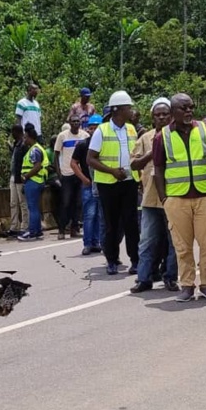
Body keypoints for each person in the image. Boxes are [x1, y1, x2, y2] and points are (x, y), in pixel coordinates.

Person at [154, 93, 206, 301]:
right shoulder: (162, 137)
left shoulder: (205, 130)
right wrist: (164, 199)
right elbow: (158, 169)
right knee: (182, 246)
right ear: (173, 112)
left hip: (205, 195)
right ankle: (187, 285)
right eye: (184, 108)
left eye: (191, 107)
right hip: (176, 198)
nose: (189, 111)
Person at [87, 91, 141, 275]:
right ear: (118, 110)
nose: (131, 111)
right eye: (128, 107)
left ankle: (135, 261)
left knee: (131, 223)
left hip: (129, 182)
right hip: (108, 184)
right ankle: (112, 260)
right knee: (111, 224)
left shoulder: (132, 129)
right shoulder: (102, 130)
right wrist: (112, 171)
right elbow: (90, 159)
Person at [131, 98, 179, 293]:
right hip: (151, 198)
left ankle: (170, 277)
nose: (162, 117)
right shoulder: (145, 138)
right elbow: (134, 164)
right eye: (158, 115)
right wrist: (153, 151)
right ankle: (144, 278)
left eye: (165, 114)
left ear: (171, 116)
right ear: (153, 118)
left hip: (175, 196)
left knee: (175, 241)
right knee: (147, 240)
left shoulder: (179, 136)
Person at [71, 114, 103, 255]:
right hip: (89, 184)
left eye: (96, 127)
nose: (93, 130)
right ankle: (88, 243)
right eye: (91, 127)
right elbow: (73, 163)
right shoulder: (83, 144)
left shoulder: (106, 144)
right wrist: (84, 178)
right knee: (90, 215)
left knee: (100, 215)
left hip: (103, 183)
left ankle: (97, 242)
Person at [54, 115, 89, 240]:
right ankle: (62, 229)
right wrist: (59, 173)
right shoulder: (62, 136)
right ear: (69, 123)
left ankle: (75, 228)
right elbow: (56, 155)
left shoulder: (85, 136)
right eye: (73, 121)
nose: (75, 123)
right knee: (66, 202)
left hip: (80, 173)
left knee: (78, 202)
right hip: (67, 173)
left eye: (77, 121)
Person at [18, 123, 49, 242]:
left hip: (33, 181)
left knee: (32, 208)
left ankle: (33, 232)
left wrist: (26, 177)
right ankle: (37, 231)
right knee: (34, 207)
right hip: (38, 181)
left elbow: (37, 166)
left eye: (25, 137)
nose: (24, 139)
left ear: (30, 138)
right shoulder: (37, 148)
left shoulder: (34, 150)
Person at [7, 123, 29, 237]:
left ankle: (24, 226)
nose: (12, 134)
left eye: (13, 132)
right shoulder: (16, 144)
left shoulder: (24, 145)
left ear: (17, 132)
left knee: (22, 202)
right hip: (13, 175)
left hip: (20, 177)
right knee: (13, 202)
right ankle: (14, 226)